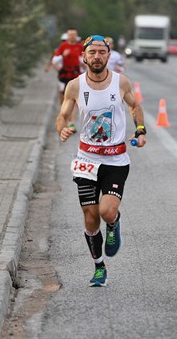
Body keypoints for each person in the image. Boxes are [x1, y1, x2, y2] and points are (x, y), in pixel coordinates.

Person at [56, 34, 146, 287]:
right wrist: (61, 128)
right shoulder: (74, 86)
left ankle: (114, 224)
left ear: (109, 55)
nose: (97, 57)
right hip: (86, 160)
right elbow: (62, 115)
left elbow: (135, 107)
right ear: (83, 56)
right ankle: (99, 267)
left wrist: (140, 129)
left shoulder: (121, 82)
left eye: (101, 52)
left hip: (115, 160)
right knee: (90, 216)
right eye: (92, 52)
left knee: (106, 212)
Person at [53, 28, 84, 130]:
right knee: (63, 99)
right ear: (67, 36)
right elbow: (54, 61)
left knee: (74, 99)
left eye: (74, 34)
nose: (72, 36)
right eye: (70, 35)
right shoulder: (63, 46)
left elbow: (85, 61)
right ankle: (64, 120)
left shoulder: (80, 47)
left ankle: (72, 122)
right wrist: (62, 57)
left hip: (76, 75)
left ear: (76, 36)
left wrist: (84, 66)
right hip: (64, 75)